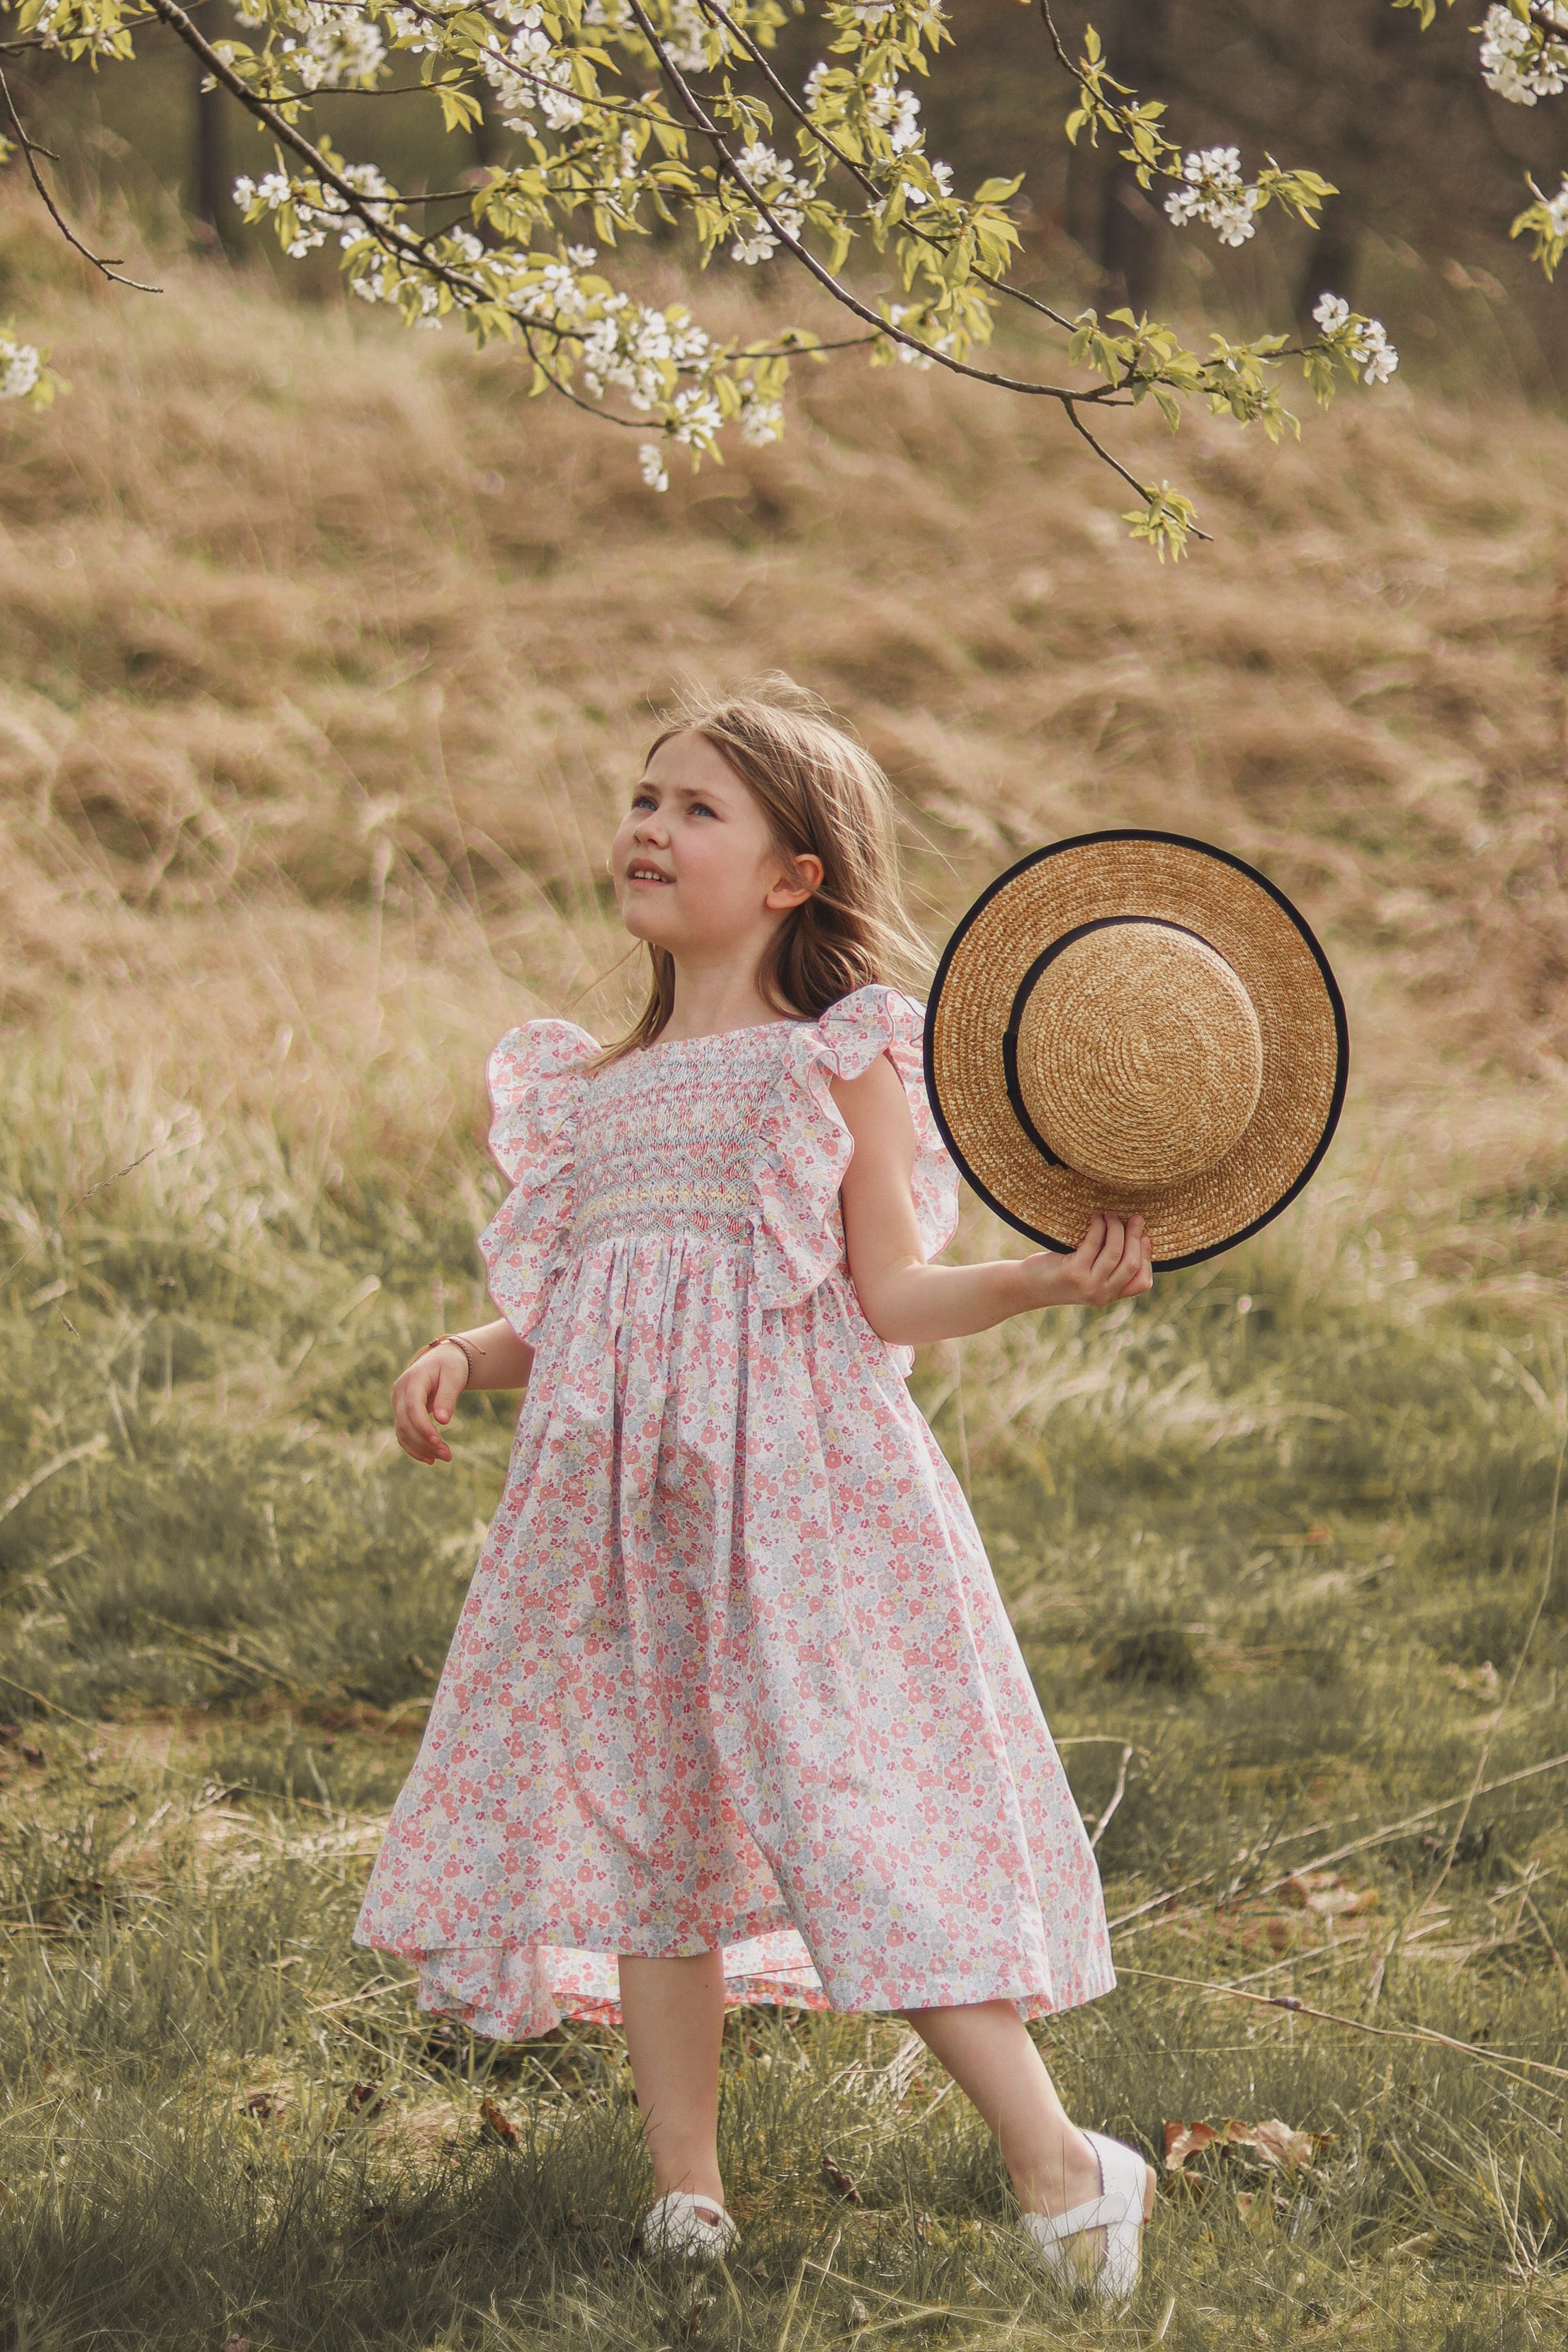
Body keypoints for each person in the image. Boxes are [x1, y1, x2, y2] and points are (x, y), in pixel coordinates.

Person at [358, 678, 1157, 2300]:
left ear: (794, 874)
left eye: (695, 808)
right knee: (650, 1820)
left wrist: (1032, 1285)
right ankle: (686, 2191)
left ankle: (1061, 2163)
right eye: (642, 798)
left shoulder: (830, 1057)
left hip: (800, 1503)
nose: (648, 826)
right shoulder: (591, 1091)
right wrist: (468, 1346)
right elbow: (598, 1298)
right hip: (627, 1519)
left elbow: (886, 1290)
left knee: (850, 1817)